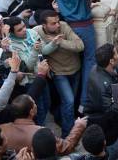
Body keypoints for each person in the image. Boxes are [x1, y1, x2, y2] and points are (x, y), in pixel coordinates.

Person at [32, 10, 84, 138]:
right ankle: (69, 136)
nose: (57, 25)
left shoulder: (64, 26)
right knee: (69, 102)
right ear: (44, 25)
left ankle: (61, 120)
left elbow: (80, 45)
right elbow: (37, 50)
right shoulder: (36, 31)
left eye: (57, 22)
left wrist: (61, 42)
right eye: (53, 23)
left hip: (75, 70)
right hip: (59, 73)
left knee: (69, 103)